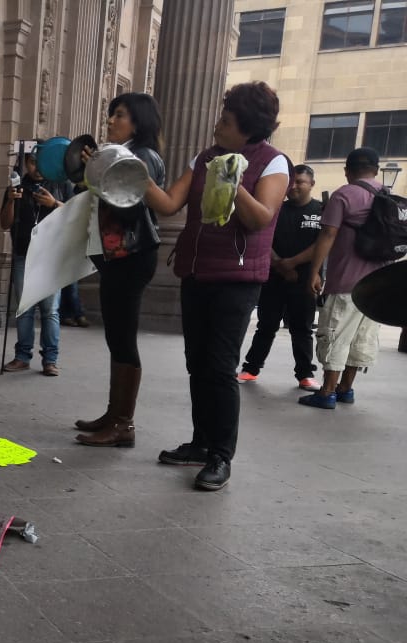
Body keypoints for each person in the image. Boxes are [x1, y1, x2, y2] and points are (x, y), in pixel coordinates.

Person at [145, 81, 289, 491]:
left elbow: (261, 218)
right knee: (197, 364)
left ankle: (221, 456)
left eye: (225, 122)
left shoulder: (274, 163)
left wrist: (232, 177)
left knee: (221, 367)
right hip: (196, 272)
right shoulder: (204, 157)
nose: (216, 126)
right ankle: (200, 442)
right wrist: (133, 176)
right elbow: (170, 203)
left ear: (247, 128)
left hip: (237, 281)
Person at [75, 92, 166, 447]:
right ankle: (114, 414)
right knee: (116, 336)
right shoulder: (126, 153)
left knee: (123, 336)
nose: (111, 120)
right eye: (112, 114)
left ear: (138, 122)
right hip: (118, 256)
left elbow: (130, 209)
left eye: (121, 115)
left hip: (133, 255)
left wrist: (99, 170)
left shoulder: (143, 157)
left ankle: (123, 425)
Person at [298, 147, 388, 409]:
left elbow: (327, 236)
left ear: (347, 170)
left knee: (336, 336)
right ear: (376, 169)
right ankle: (346, 389)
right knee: (362, 337)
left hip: (348, 281)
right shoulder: (387, 195)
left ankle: (326, 393)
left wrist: (314, 272)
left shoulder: (344, 195)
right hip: (379, 284)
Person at [238, 164, 322, 391]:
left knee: (302, 329)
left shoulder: (321, 211)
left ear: (311, 184)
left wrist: (293, 263)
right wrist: (281, 265)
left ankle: (305, 374)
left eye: (300, 182)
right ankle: (251, 369)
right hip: (273, 277)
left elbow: (323, 245)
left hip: (305, 280)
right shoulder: (276, 210)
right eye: (291, 182)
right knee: (266, 325)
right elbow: (262, 238)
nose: (294, 186)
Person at [0, 149, 72, 375]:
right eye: (32, 162)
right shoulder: (17, 186)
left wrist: (54, 203)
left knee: (50, 310)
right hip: (24, 254)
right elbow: (4, 223)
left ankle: (50, 359)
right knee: (24, 308)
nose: (37, 168)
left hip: (51, 256)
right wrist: (11, 201)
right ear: (26, 163)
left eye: (41, 163)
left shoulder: (61, 184)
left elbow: (75, 216)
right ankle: (22, 356)